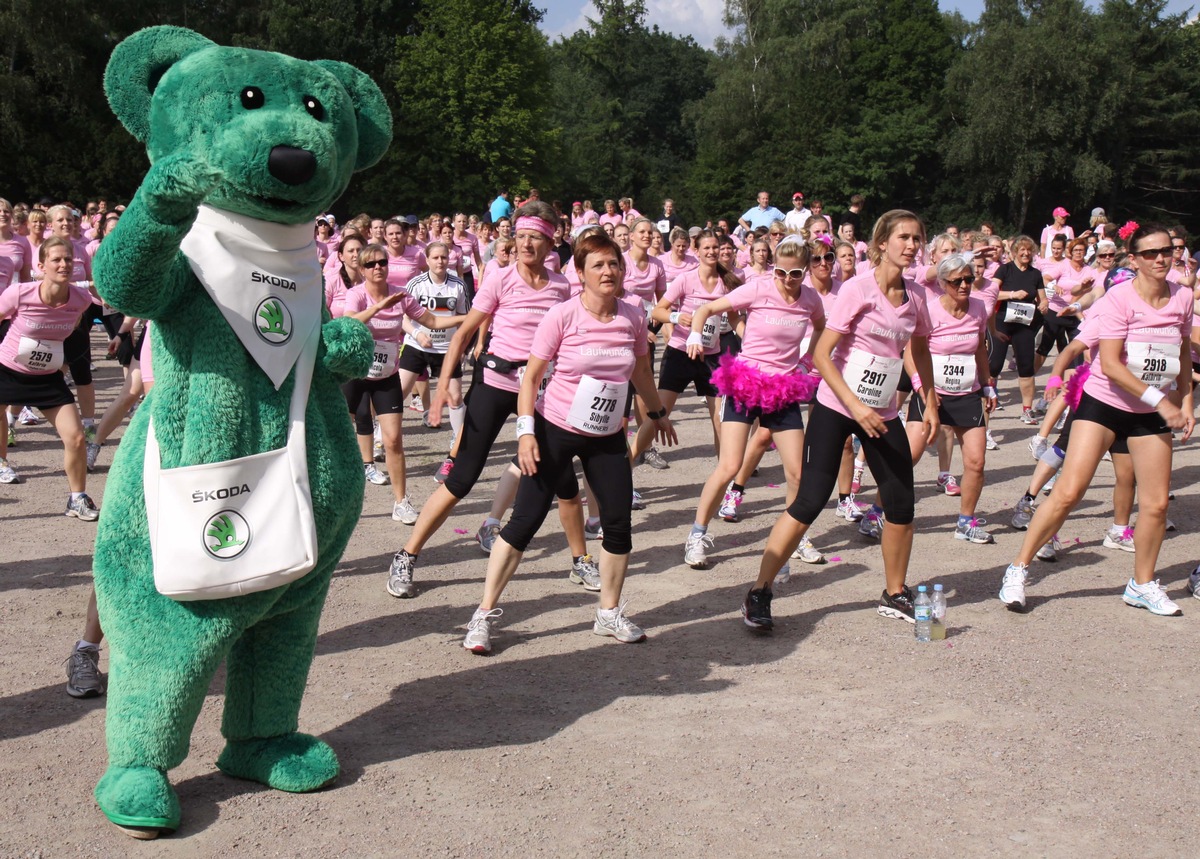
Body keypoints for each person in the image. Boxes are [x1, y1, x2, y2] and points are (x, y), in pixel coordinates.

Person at [461, 231, 677, 654]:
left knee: (617, 522)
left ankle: (608, 612)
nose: (609, 271)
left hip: (607, 436)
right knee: (524, 522)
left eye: (614, 263)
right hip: (555, 429)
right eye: (598, 265)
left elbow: (641, 374)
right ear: (579, 273)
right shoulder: (561, 316)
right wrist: (525, 432)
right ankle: (483, 614)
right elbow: (532, 380)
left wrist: (656, 413)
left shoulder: (633, 317)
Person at [739, 211, 937, 631]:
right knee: (810, 500)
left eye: (917, 238)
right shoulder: (857, 290)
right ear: (882, 242)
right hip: (835, 406)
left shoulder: (917, 296)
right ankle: (760, 590)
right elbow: (821, 355)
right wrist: (854, 405)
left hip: (881, 411)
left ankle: (894, 592)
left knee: (902, 504)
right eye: (904, 237)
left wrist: (929, 398)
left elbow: (918, 348)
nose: (912, 245)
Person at [999, 223, 1194, 615]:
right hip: (1104, 403)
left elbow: (1184, 352)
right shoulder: (1120, 298)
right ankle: (1018, 568)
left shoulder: (1183, 297)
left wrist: (1186, 401)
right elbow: (1110, 365)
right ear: (1135, 259)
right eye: (1150, 253)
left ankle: (1142, 584)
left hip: (1149, 414)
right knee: (1070, 492)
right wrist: (1165, 401)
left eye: (1166, 251)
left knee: (1155, 506)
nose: (1160, 258)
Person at [385, 202, 573, 598]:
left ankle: (569, 556)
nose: (524, 244)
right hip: (495, 383)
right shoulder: (499, 279)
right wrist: (438, 394)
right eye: (519, 236)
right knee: (461, 479)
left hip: (538, 391)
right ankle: (407, 554)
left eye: (533, 237)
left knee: (551, 473)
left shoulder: (561, 286)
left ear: (550, 240)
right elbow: (461, 336)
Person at [683, 235, 827, 571]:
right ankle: (697, 534)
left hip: (783, 388)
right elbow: (707, 308)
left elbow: (822, 327)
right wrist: (694, 334)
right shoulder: (759, 287)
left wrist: (808, 360)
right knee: (729, 466)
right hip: (746, 383)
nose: (787, 280)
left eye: (794, 274)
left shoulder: (810, 298)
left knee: (797, 473)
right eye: (781, 272)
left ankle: (796, 538)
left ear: (805, 272)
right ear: (773, 269)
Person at [342, 243, 464, 522]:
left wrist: (470, 317)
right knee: (340, 432)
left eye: (381, 263)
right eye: (371, 264)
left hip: (385, 377)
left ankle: (401, 502)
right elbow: (350, 323)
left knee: (394, 440)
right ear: (361, 270)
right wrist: (379, 307)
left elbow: (431, 320)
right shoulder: (356, 294)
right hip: (355, 376)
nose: (377, 268)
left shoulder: (401, 296)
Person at [0, 237, 101, 519]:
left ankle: (77, 498)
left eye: (68, 259)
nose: (64, 264)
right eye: (56, 260)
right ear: (41, 266)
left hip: (46, 377)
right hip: (6, 369)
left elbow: (72, 333)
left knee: (77, 437)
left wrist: (62, 364)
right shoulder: (20, 293)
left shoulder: (81, 300)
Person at [906, 252, 997, 543]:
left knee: (976, 462)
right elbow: (910, 352)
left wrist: (987, 385)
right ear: (943, 282)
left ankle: (965, 522)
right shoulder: (929, 310)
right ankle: (877, 512)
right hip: (932, 394)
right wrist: (922, 387)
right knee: (909, 456)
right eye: (957, 281)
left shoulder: (979, 308)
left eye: (969, 279)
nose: (964, 286)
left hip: (967, 395)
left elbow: (980, 348)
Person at [632, 230, 732, 468]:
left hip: (711, 358)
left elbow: (736, 317)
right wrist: (678, 317)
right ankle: (629, 465)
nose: (711, 252)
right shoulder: (686, 279)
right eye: (706, 248)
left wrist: (748, 336)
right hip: (680, 353)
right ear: (696, 251)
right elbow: (658, 311)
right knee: (658, 415)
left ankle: (725, 481)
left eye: (715, 247)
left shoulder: (726, 282)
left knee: (720, 420)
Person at [399, 240, 471, 482]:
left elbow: (466, 318)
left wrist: (462, 346)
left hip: (446, 349)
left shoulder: (458, 286)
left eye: (444, 257)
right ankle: (381, 433)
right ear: (427, 260)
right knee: (399, 391)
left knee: (456, 397)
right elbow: (402, 317)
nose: (440, 262)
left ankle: (457, 439)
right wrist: (416, 333)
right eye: (436, 258)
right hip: (417, 345)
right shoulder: (416, 284)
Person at [988, 235, 1047, 424]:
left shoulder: (1035, 274)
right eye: (1022, 250)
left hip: (1024, 325)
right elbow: (992, 293)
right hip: (1002, 323)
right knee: (994, 365)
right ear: (1014, 252)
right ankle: (987, 402)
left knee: (1026, 367)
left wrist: (1044, 303)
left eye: (1029, 250)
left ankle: (1027, 410)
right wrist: (1012, 294)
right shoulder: (1005, 269)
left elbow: (1042, 298)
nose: (1026, 253)